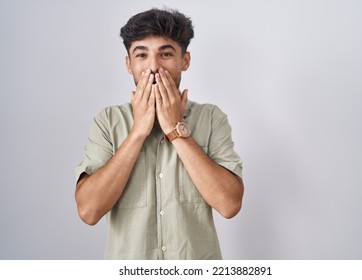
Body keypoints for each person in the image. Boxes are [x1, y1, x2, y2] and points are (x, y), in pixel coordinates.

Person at [75, 8, 244, 260]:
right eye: (141, 55)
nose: (153, 67)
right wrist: (137, 133)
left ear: (184, 61)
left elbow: (229, 205)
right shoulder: (108, 121)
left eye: (165, 54)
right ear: (128, 63)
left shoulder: (211, 118)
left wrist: (176, 131)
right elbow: (89, 211)